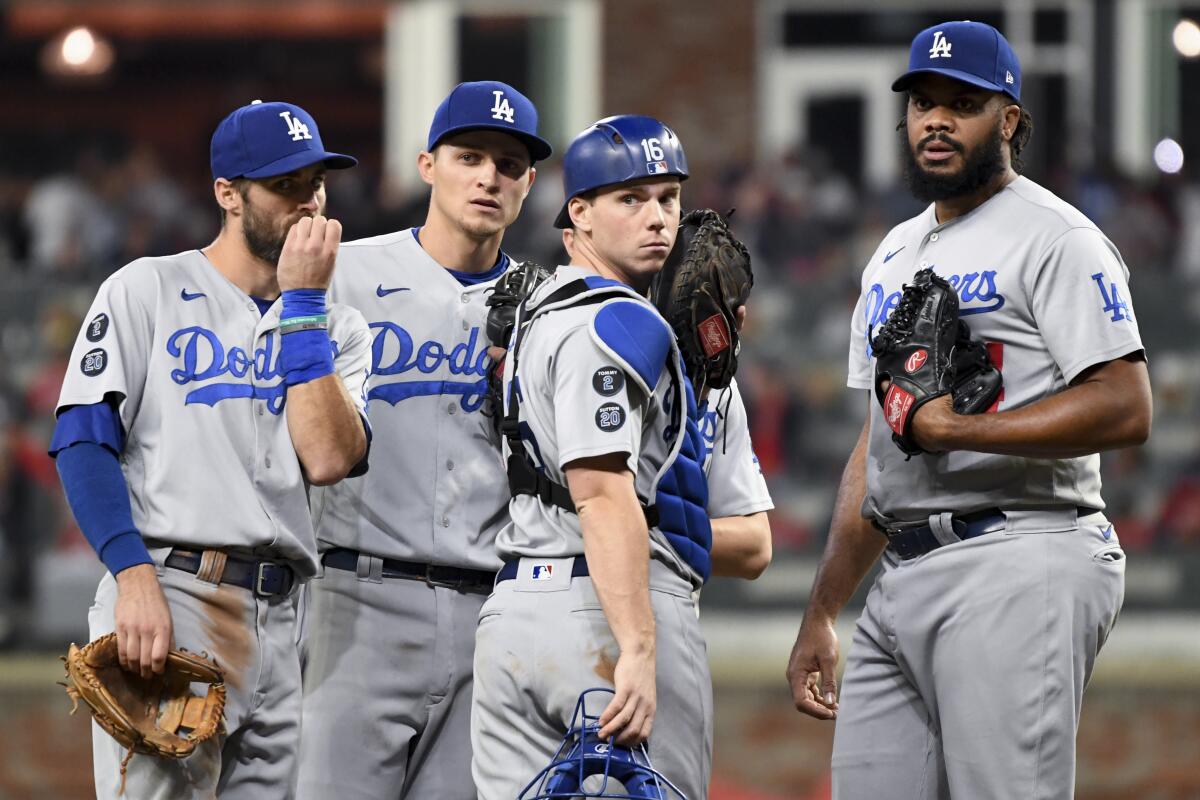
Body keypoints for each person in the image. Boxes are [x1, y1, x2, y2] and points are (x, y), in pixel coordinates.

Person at [785, 21, 1151, 799]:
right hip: (903, 569)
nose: (937, 120)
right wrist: (824, 609)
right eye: (922, 102)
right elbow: (875, 446)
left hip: (1020, 549)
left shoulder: (1056, 237)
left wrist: (959, 429)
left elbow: (1126, 404)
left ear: (1010, 120)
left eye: (964, 102)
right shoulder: (893, 253)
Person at [50, 99, 371, 798]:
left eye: (315, 182)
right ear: (228, 194)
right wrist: (131, 575)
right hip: (171, 592)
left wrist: (305, 310)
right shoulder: (147, 289)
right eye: (285, 186)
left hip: (286, 615)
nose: (308, 203)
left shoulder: (336, 324)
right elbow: (82, 442)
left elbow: (326, 458)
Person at [297, 81, 551, 800]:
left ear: (529, 184)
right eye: (469, 156)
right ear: (426, 165)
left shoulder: (548, 304)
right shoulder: (342, 274)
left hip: (492, 611)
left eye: (508, 164)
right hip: (354, 598)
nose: (487, 177)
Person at [470, 114, 714, 800]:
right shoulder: (619, 319)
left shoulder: (527, 310)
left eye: (668, 198)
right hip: (602, 613)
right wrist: (637, 646)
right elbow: (602, 491)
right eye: (630, 199)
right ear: (578, 212)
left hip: (514, 612)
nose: (658, 218)